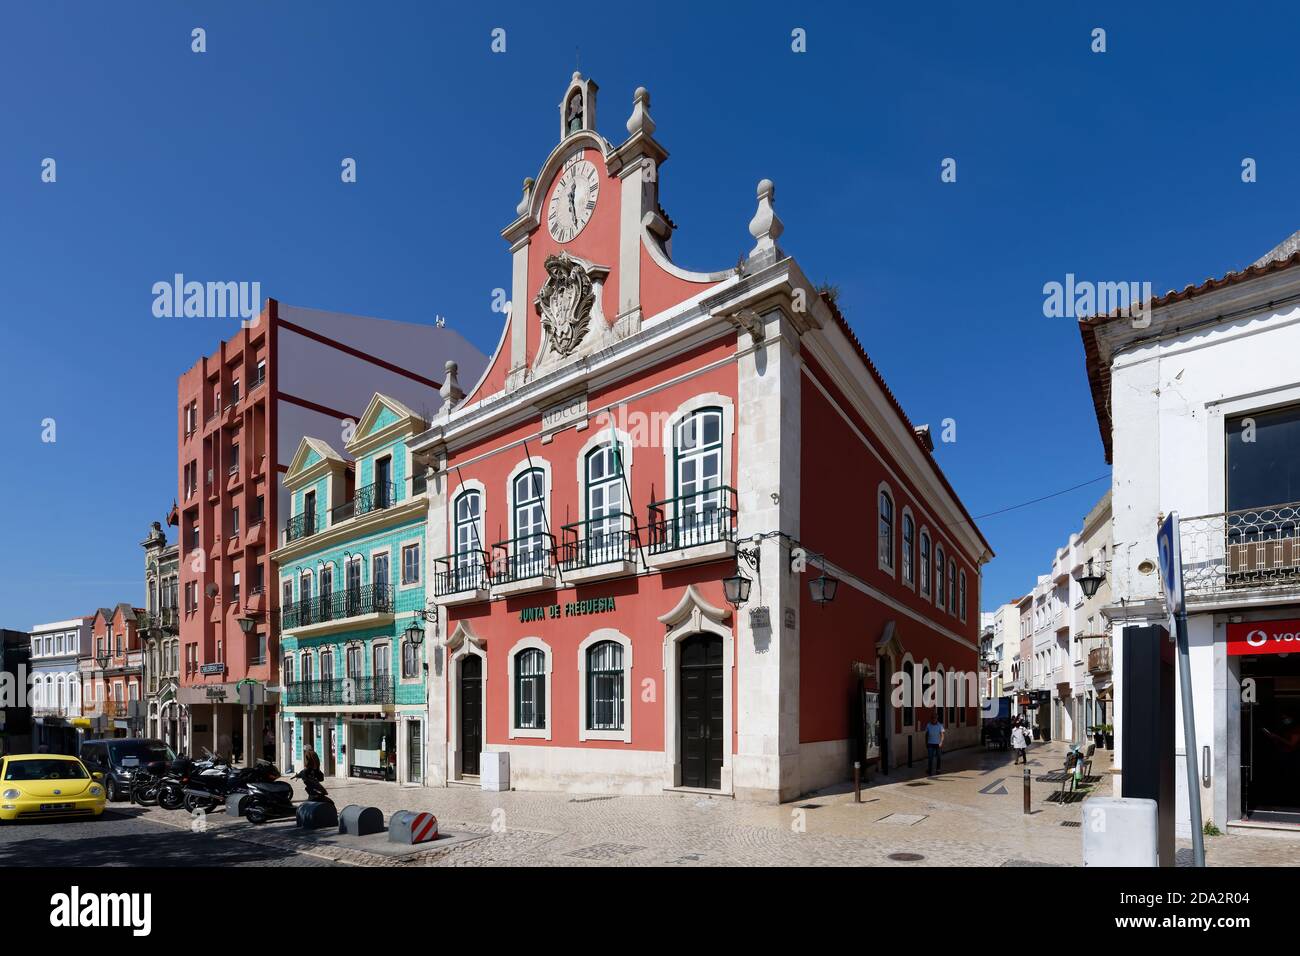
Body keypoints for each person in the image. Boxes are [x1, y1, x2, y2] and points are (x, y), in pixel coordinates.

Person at [924, 712, 946, 776]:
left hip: (937, 744)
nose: (933, 719)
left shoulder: (940, 725)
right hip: (930, 743)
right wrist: (926, 743)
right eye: (932, 718)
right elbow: (926, 735)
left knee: (938, 757)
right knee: (930, 758)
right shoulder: (928, 725)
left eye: (935, 718)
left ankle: (938, 769)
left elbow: (942, 735)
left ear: (937, 718)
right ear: (931, 718)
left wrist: (941, 742)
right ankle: (929, 770)